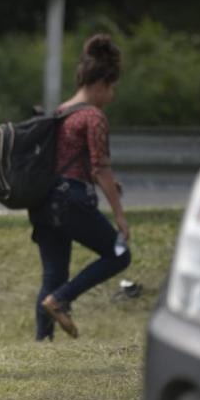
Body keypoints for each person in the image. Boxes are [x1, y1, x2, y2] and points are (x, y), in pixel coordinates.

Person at [29, 34, 131, 341]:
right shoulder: (93, 116)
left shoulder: (61, 112)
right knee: (119, 254)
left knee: (53, 274)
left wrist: (109, 183)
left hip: (45, 202)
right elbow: (101, 167)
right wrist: (120, 216)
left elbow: (71, 160)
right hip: (72, 201)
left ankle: (42, 342)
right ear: (100, 83)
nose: (112, 95)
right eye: (112, 88)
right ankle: (61, 300)